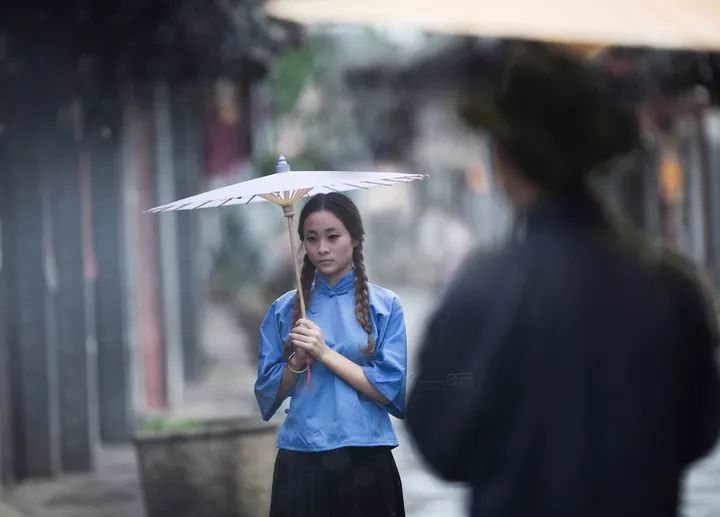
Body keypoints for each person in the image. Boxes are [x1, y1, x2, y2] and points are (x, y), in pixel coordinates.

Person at [406, 42, 720, 517]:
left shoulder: (482, 290)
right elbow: (698, 432)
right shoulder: (673, 288)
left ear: (503, 161)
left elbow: (440, 437)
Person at [254, 192, 407, 517]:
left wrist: (323, 353)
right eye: (312, 239)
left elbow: (388, 388)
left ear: (355, 238)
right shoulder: (284, 311)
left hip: (365, 459)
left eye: (332, 236)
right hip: (302, 460)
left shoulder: (385, 307)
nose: (321, 248)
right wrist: (296, 360)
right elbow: (268, 394)